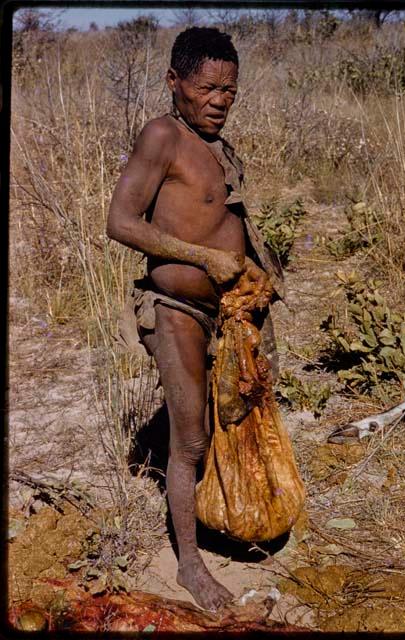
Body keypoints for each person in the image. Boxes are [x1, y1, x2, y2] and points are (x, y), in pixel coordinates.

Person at [107, 26, 283, 611]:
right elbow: (122, 222)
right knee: (189, 441)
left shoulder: (220, 146)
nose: (220, 101)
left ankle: (223, 521)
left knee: (233, 421)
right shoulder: (163, 136)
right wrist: (204, 258)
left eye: (229, 90)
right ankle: (188, 563)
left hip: (227, 316)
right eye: (207, 88)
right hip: (178, 309)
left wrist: (255, 278)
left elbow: (225, 222)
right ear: (174, 83)